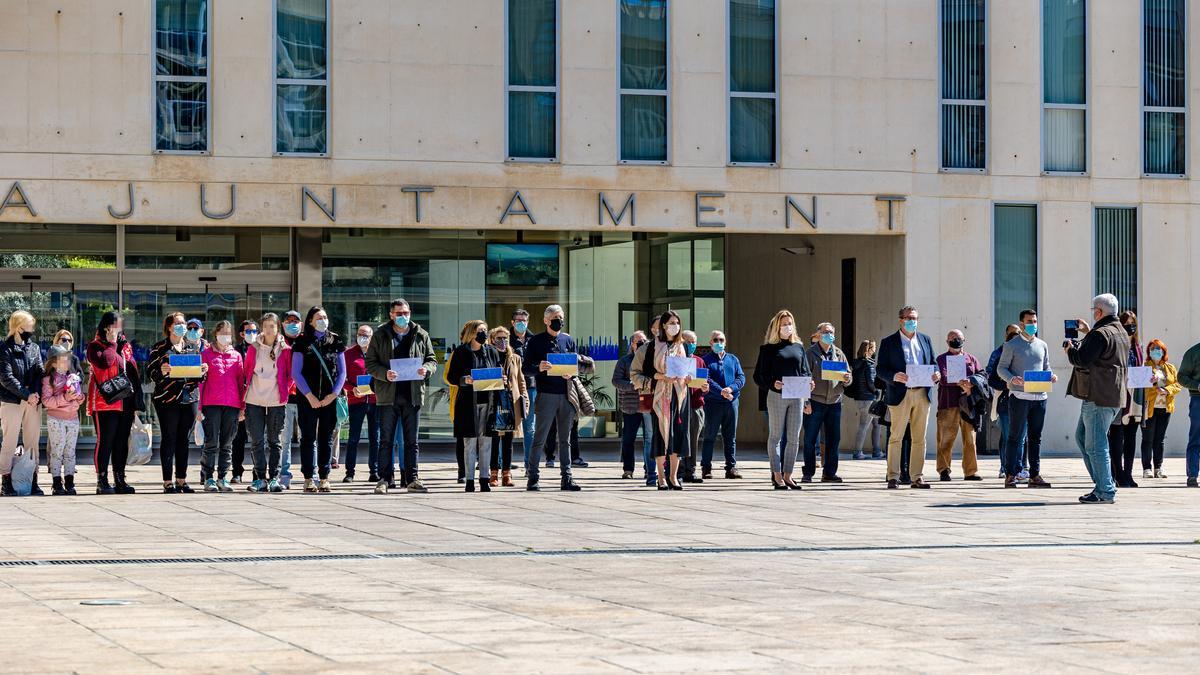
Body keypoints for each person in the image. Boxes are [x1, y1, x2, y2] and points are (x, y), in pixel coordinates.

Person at [365, 298, 437, 494]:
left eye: (405, 313)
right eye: (399, 314)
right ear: (391, 315)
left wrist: (426, 370)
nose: (403, 317)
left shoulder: (421, 334)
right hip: (388, 395)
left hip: (412, 395)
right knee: (386, 440)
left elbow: (432, 360)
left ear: (410, 312)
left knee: (412, 441)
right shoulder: (380, 334)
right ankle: (385, 479)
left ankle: (412, 478)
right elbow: (370, 363)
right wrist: (384, 374)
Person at [1065, 293, 1129, 504]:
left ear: (1099, 312)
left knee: (1095, 444)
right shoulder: (1120, 331)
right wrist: (1088, 332)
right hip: (1112, 395)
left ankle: (1104, 490)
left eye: (1094, 311)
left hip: (1098, 396)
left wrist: (1070, 350)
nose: (1093, 314)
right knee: (1083, 438)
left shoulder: (1100, 334)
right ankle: (1104, 483)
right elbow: (1103, 348)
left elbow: (1082, 360)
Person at [877, 305, 940, 490]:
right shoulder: (889, 342)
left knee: (919, 438)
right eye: (909, 318)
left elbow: (933, 363)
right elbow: (880, 369)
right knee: (896, 437)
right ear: (901, 320)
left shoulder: (925, 340)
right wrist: (894, 376)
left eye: (915, 318)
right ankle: (893, 476)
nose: (912, 321)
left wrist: (937, 374)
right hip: (900, 393)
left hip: (922, 393)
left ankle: (917, 477)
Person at [522, 305, 583, 491]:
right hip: (546, 394)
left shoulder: (568, 340)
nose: (559, 320)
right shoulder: (535, 341)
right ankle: (533, 478)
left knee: (565, 439)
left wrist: (571, 374)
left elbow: (575, 366)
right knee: (539, 438)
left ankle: (567, 478)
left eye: (561, 317)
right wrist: (538, 368)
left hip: (566, 394)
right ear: (546, 320)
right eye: (556, 317)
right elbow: (526, 368)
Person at [753, 309, 813, 490]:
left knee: (794, 438)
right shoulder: (768, 349)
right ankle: (777, 475)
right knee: (776, 437)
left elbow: (805, 371)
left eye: (790, 323)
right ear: (776, 327)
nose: (788, 327)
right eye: (784, 324)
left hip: (797, 396)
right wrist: (773, 384)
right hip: (777, 395)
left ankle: (788, 475)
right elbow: (758, 375)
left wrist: (809, 386)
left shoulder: (799, 347)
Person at [147, 312, 207, 493]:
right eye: (178, 323)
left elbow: (198, 377)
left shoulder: (191, 347)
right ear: (169, 327)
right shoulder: (159, 348)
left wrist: (203, 370)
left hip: (189, 398)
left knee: (183, 440)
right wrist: (163, 371)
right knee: (169, 438)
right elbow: (151, 374)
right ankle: (167, 482)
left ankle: (182, 480)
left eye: (184, 323)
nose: (182, 326)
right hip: (167, 399)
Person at [997, 311, 1055, 488]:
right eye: (1029, 321)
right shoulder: (1012, 345)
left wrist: (1052, 376)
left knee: (1035, 437)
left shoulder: (1042, 345)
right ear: (1021, 324)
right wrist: (1011, 379)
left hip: (1040, 397)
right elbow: (1001, 368)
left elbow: (1046, 366)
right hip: (1019, 396)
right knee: (1014, 437)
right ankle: (1010, 474)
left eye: (1035, 321)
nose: (1033, 324)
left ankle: (1035, 475)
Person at [291, 306, 346, 493]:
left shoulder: (336, 340)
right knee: (307, 437)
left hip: (329, 397)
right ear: (310, 321)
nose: (323, 320)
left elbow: (342, 371)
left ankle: (324, 477)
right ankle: (308, 477)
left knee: (326, 437)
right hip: (308, 397)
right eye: (319, 317)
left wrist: (334, 394)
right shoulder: (301, 341)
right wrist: (309, 395)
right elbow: (295, 372)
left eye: (325, 316)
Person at [86, 311, 142, 494]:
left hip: (125, 402)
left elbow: (132, 372)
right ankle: (102, 480)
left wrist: (136, 403)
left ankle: (120, 479)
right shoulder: (95, 347)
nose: (119, 330)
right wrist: (111, 343)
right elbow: (105, 362)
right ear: (106, 326)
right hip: (105, 401)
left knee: (121, 442)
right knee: (106, 441)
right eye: (115, 325)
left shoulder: (125, 346)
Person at [447, 320, 505, 492]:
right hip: (468, 403)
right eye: (481, 331)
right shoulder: (461, 352)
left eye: (486, 330)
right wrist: (464, 380)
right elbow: (451, 377)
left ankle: (484, 479)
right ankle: (470, 480)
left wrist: (502, 380)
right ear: (472, 333)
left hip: (489, 401)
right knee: (469, 442)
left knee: (486, 441)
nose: (484, 334)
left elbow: (497, 371)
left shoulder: (492, 351)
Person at [641, 310, 691, 490]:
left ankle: (673, 476)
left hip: (680, 395)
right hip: (661, 394)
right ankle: (661, 478)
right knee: (661, 435)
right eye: (671, 323)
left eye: (677, 323)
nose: (674, 326)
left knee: (678, 433)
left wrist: (688, 377)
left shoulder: (681, 346)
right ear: (663, 325)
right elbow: (647, 370)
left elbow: (686, 368)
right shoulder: (654, 345)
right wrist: (662, 376)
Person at [243, 313, 291, 493]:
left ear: (278, 327)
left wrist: (284, 390)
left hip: (276, 401)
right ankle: (260, 478)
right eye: (265, 326)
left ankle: (274, 479)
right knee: (256, 441)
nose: (269, 330)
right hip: (254, 399)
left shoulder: (285, 349)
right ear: (261, 328)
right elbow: (247, 371)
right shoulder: (254, 347)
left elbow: (290, 375)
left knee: (274, 441)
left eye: (272, 326)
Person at [197, 321, 246, 492]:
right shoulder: (207, 354)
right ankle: (208, 477)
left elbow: (241, 382)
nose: (226, 335)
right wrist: (199, 406)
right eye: (222, 332)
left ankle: (222, 477)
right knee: (211, 442)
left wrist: (242, 407)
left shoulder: (237, 355)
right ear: (216, 333)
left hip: (232, 405)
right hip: (211, 404)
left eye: (228, 332)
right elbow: (201, 383)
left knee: (227, 444)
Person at [0, 310, 45, 496]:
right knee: (9, 441)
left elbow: (40, 372)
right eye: (29, 326)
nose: (32, 330)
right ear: (19, 328)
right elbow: (6, 377)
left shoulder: (33, 348)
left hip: (32, 401)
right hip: (11, 400)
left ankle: (33, 480)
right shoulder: (4, 349)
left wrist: (34, 394)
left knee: (32, 442)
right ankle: (6, 481)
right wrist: (26, 394)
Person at [803, 322, 851, 483]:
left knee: (833, 439)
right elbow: (803, 378)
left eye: (831, 332)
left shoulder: (838, 353)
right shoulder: (810, 353)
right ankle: (808, 472)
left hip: (834, 402)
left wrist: (847, 379)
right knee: (810, 439)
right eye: (826, 332)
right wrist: (806, 402)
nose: (829, 334)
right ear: (818, 334)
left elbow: (848, 376)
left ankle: (829, 473)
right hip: (815, 401)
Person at [933, 329, 983, 482]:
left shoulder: (971, 359)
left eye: (959, 338)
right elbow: (940, 377)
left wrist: (972, 381)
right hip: (948, 404)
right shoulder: (941, 359)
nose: (956, 340)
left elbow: (982, 374)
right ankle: (944, 470)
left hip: (968, 405)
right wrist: (958, 382)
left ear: (964, 340)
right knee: (945, 439)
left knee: (970, 440)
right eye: (952, 338)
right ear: (947, 342)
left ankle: (970, 472)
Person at [702, 330, 745, 479]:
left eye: (721, 340)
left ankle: (731, 467)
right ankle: (706, 467)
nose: (718, 343)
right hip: (713, 403)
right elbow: (706, 379)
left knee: (730, 437)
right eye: (715, 340)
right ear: (710, 342)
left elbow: (741, 377)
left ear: (725, 342)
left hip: (731, 402)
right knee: (710, 436)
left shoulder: (733, 359)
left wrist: (731, 389)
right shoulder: (705, 360)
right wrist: (721, 391)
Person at [1108, 311, 1144, 488]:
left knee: (1131, 437)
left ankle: (1128, 474)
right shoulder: (1116, 344)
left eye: (1133, 323)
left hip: (1135, 397)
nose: (1130, 326)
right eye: (1127, 323)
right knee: (1116, 436)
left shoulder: (1138, 346)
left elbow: (1140, 368)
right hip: (1119, 395)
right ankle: (1117, 474)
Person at [614, 331, 655, 483]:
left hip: (648, 405)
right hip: (631, 406)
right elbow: (616, 381)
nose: (640, 344)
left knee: (649, 438)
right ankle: (628, 469)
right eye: (637, 342)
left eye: (643, 341)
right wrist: (633, 385)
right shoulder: (624, 361)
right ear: (631, 344)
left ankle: (648, 469)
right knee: (628, 439)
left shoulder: (650, 360)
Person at [489, 326, 528, 488]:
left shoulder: (515, 358)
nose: (503, 342)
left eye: (505, 338)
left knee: (508, 440)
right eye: (499, 338)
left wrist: (524, 399)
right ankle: (493, 473)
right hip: (493, 402)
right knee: (494, 439)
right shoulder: (488, 356)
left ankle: (507, 473)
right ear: (492, 340)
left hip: (511, 402)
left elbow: (521, 381)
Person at [41, 345, 83, 495]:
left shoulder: (72, 377)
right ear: (53, 363)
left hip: (72, 419)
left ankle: (70, 482)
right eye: (63, 360)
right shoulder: (48, 380)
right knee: (57, 451)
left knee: (70, 451)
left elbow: (79, 398)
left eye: (67, 360)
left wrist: (78, 398)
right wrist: (66, 397)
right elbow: (47, 401)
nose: (67, 363)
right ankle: (57, 482)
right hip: (56, 419)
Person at [342, 324, 379, 483]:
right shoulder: (348, 354)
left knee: (375, 438)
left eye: (365, 335)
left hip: (375, 401)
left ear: (371, 337)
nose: (362, 337)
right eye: (360, 334)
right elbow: (341, 378)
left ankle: (374, 471)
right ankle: (349, 472)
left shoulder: (377, 354)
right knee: (353, 438)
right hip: (356, 400)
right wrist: (351, 389)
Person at [986, 324, 1023, 477]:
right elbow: (991, 377)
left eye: (1019, 333)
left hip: (1024, 400)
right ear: (1006, 335)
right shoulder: (999, 353)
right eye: (1013, 334)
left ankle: (1020, 468)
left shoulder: (1026, 352)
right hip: (1005, 401)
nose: (1016, 336)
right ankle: (1006, 467)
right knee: (1008, 436)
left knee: (1022, 437)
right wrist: (1008, 383)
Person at [1142, 339, 1179, 479]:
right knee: (1148, 439)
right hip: (1150, 407)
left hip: (1165, 408)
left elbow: (1177, 385)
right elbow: (1141, 387)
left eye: (1158, 348)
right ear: (1149, 352)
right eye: (1152, 349)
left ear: (1163, 351)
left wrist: (1166, 390)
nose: (1156, 351)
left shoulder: (1170, 368)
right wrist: (1152, 385)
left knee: (1160, 439)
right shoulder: (1145, 366)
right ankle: (1147, 468)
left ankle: (1158, 467)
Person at [229, 320, 257, 484]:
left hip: (258, 399)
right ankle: (237, 472)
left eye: (254, 331)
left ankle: (257, 472)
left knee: (257, 439)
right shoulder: (236, 352)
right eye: (248, 331)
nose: (251, 334)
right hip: (240, 400)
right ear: (241, 334)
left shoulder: (262, 350)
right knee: (238, 440)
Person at [279, 310, 304, 488]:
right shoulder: (278, 343)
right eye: (289, 320)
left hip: (305, 397)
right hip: (285, 397)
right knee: (284, 439)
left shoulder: (306, 342)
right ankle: (284, 474)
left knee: (308, 438)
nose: (292, 323)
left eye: (296, 320)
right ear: (282, 324)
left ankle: (310, 472)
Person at [680, 330, 709, 483]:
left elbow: (705, 381)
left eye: (694, 342)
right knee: (680, 438)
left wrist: (705, 387)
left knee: (693, 439)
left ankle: (690, 471)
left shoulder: (699, 361)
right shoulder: (676, 360)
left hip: (696, 405)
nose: (691, 345)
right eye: (688, 342)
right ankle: (678, 469)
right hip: (680, 406)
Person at [846, 340, 881, 460]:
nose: (875, 350)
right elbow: (871, 382)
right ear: (870, 350)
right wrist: (876, 392)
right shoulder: (868, 365)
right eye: (874, 348)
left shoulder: (856, 364)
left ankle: (877, 450)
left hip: (860, 398)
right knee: (864, 425)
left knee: (876, 423)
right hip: (868, 398)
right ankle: (858, 452)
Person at [510, 308, 537, 470]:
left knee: (529, 426)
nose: (521, 324)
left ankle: (529, 463)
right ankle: (502, 462)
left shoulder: (534, 340)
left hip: (531, 386)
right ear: (512, 322)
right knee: (506, 425)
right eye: (518, 321)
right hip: (511, 387)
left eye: (524, 321)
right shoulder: (505, 339)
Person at [1177, 337, 1200, 487]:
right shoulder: (1193, 353)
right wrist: (1197, 385)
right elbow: (1181, 377)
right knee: (1196, 438)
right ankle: (1192, 475)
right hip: (1198, 400)